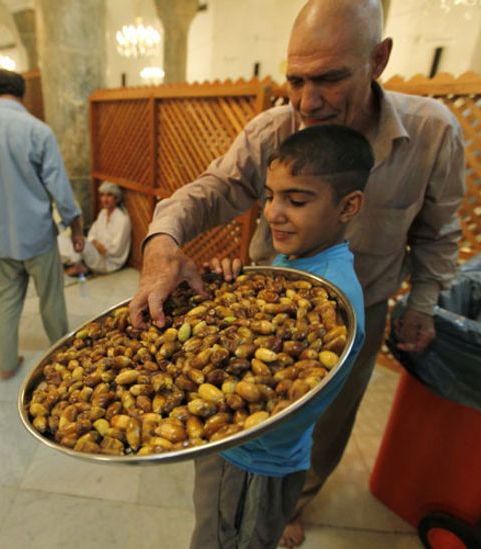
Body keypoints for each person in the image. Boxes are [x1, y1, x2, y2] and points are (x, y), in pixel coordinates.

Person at [128, 2, 465, 546]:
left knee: (324, 427)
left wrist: (421, 304)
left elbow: (439, 233)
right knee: (248, 414)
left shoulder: (431, 132)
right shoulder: (273, 129)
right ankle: (259, 498)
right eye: (296, 79)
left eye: (330, 78)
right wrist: (162, 240)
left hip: (364, 307)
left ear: (378, 59)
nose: (309, 101)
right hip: (269, 304)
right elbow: (214, 190)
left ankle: (290, 502)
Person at [189, 125, 369, 549]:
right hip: (246, 455)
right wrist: (229, 288)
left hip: (255, 462)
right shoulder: (302, 258)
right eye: (269, 195)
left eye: (296, 200)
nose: (273, 213)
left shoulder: (330, 301)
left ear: (348, 206)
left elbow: (281, 397)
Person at [0, 68, 85, 379]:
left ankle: (7, 364)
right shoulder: (37, 130)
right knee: (51, 299)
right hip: (37, 235)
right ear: (23, 94)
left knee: (4, 302)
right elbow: (59, 187)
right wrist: (75, 228)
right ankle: (63, 359)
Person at [58, 181, 131, 276]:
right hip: (95, 250)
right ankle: (77, 263)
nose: (105, 199)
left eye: (109, 195)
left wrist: (100, 247)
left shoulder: (123, 220)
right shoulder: (103, 213)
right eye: (103, 195)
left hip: (108, 261)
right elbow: (92, 233)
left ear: (116, 199)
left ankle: (79, 266)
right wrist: (95, 243)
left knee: (80, 243)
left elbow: (117, 249)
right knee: (60, 239)